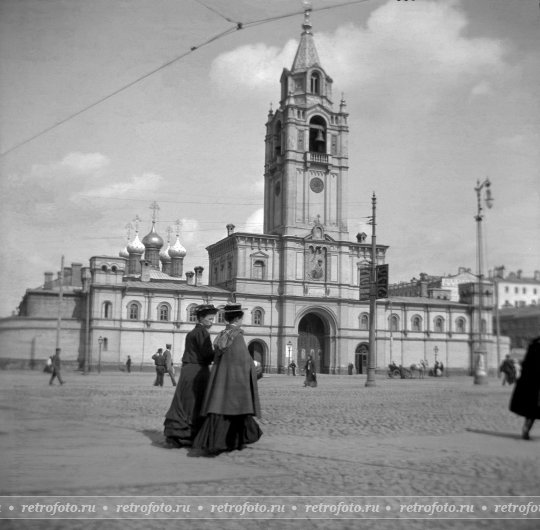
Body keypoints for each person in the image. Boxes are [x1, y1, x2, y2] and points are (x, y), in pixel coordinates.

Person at [191, 303, 262, 455]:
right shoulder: (236, 336)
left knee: (220, 407)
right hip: (234, 383)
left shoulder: (223, 334)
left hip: (221, 381)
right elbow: (243, 360)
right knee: (235, 409)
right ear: (237, 318)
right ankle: (226, 442)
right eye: (242, 317)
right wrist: (255, 366)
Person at [164, 304, 218, 447]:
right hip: (197, 371)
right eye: (210, 319)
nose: (212, 322)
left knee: (183, 401)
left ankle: (175, 434)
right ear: (201, 318)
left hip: (187, 371)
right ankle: (188, 435)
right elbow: (207, 355)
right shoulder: (203, 333)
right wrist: (220, 351)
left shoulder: (192, 332)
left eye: (213, 319)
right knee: (195, 402)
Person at [510, 337, 540, 440]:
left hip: (531, 383)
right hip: (534, 383)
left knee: (531, 411)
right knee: (532, 410)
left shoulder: (533, 345)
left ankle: (526, 430)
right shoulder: (535, 346)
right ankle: (526, 430)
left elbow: (526, 365)